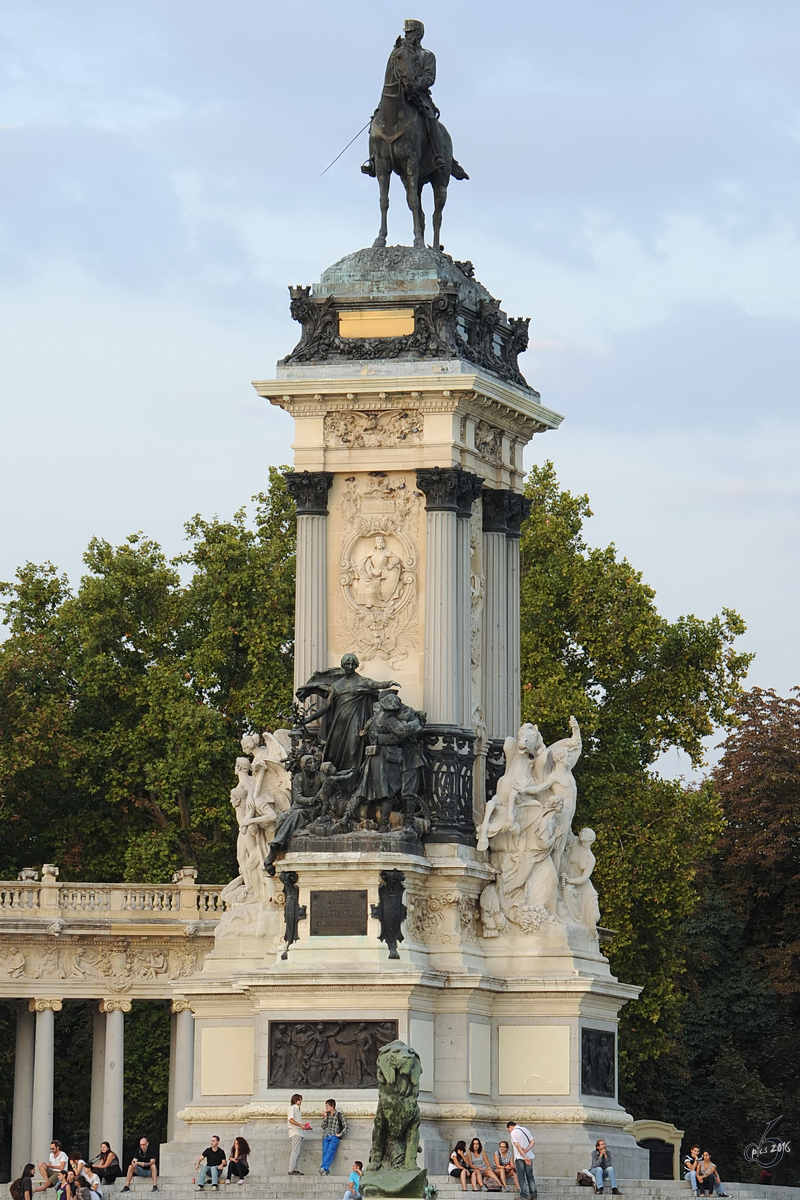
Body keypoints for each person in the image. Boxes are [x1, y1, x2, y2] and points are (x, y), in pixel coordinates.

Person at [506, 1122, 536, 1200]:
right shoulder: (525, 1129)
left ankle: (523, 1195)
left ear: (510, 1127)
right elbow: (532, 1142)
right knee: (530, 1175)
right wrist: (527, 1150)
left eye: (508, 1130)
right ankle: (534, 1194)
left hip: (520, 1157)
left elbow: (517, 1145)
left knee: (521, 1176)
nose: (509, 1131)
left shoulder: (514, 1132)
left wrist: (524, 1156)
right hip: (530, 1156)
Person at [319, 1098, 349, 1175]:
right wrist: (325, 1118)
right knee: (325, 1152)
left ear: (332, 1106)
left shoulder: (339, 1115)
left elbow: (346, 1127)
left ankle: (323, 1168)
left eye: (327, 1106)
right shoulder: (327, 1115)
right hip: (326, 1135)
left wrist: (340, 1134)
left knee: (330, 1151)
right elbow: (323, 1126)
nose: (326, 1108)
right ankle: (325, 1169)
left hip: (334, 1136)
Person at [287, 1093, 312, 1175]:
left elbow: (296, 1121)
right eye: (299, 1100)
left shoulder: (297, 1109)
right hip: (295, 1132)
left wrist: (305, 1126)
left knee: (297, 1151)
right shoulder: (292, 1108)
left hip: (299, 1132)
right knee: (295, 1151)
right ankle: (291, 1169)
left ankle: (294, 1168)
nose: (301, 1102)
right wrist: (301, 1125)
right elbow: (290, 1120)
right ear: (296, 1100)